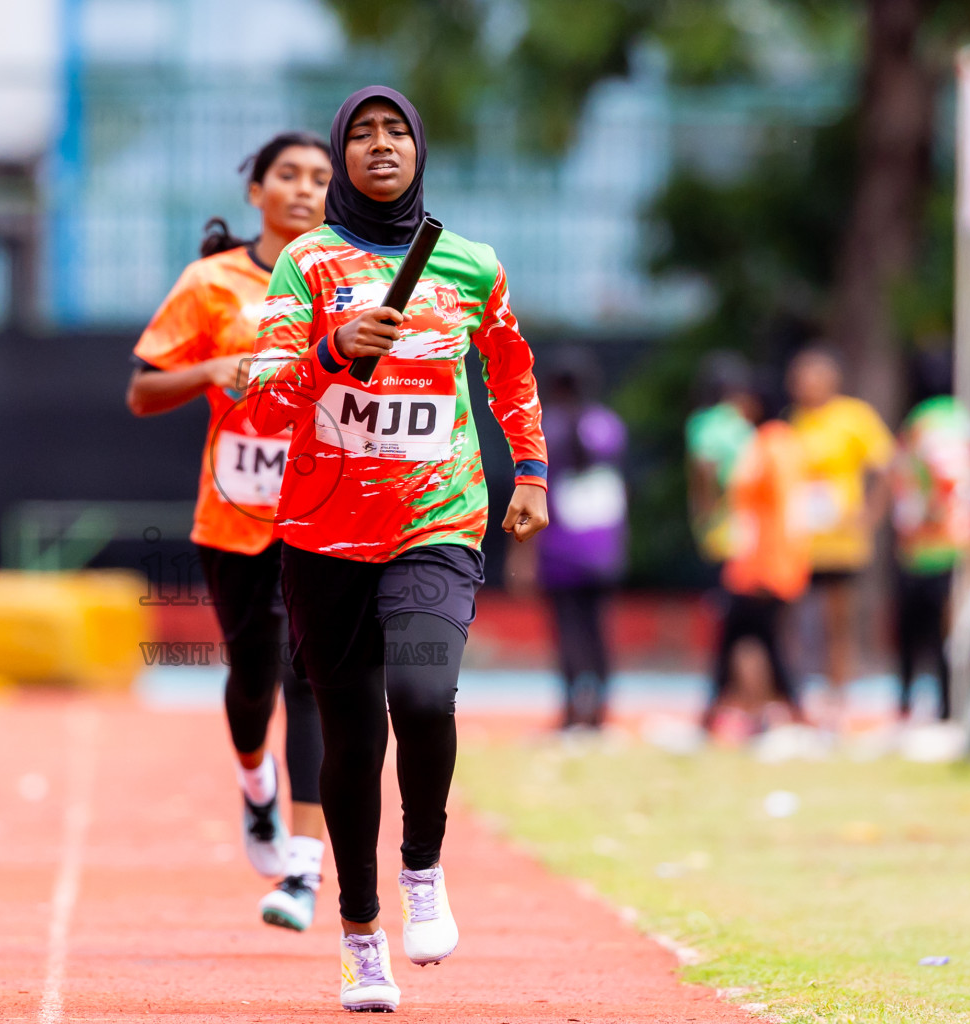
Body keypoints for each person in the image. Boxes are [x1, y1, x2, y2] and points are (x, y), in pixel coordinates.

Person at [245, 86, 548, 1013]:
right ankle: (361, 935)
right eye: (364, 134)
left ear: (420, 151)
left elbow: (511, 365)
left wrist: (530, 469)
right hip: (324, 535)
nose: (383, 146)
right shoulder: (308, 264)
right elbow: (263, 401)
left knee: (421, 693)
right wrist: (333, 350)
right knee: (350, 736)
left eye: (399, 132)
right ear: (340, 156)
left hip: (435, 523)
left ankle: (423, 868)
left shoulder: (469, 265)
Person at [126, 132, 332, 931]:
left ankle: (303, 873)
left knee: (309, 678)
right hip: (234, 519)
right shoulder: (211, 283)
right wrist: (214, 372)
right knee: (253, 680)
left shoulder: (349, 283)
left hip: (323, 517)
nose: (305, 189)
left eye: (320, 178)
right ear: (257, 190)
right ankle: (257, 785)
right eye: (288, 175)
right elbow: (143, 393)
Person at [787, 347, 895, 728]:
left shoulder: (854, 417)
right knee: (798, 624)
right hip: (800, 540)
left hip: (841, 540)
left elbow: (885, 466)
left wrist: (871, 514)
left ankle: (838, 700)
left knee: (838, 623)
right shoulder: (795, 421)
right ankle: (800, 696)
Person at [702, 376, 811, 732]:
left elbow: (772, 508)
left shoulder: (768, 446)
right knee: (757, 640)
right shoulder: (785, 443)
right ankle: (767, 713)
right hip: (769, 561)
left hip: (761, 565)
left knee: (747, 639)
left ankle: (770, 713)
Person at [533, 348, 627, 729]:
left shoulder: (546, 428)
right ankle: (600, 711)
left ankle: (573, 711)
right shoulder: (609, 425)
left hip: (558, 550)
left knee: (567, 633)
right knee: (599, 630)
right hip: (603, 549)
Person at [890, 352, 970, 722]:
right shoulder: (963, 418)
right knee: (948, 631)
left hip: (929, 542)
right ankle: (948, 704)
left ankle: (916, 703)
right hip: (958, 540)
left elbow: (946, 476)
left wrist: (927, 516)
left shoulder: (928, 420)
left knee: (920, 631)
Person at [686, 352, 758, 567]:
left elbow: (704, 468)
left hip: (724, 510)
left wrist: (704, 510)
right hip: (746, 509)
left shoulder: (703, 421)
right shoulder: (741, 422)